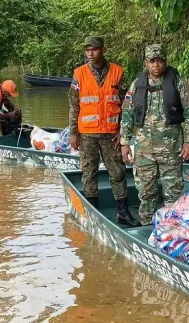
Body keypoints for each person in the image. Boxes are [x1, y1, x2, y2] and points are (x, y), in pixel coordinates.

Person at [120, 44, 189, 224]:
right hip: (144, 149)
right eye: (152, 61)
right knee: (146, 192)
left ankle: (172, 228)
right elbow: (127, 113)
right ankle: (146, 225)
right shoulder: (137, 84)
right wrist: (124, 142)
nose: (156, 65)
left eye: (160, 60)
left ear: (165, 61)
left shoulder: (177, 82)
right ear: (146, 63)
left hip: (171, 149)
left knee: (173, 192)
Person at [68, 36, 138, 226]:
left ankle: (123, 212)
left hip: (111, 133)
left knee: (117, 173)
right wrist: (73, 132)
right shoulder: (79, 74)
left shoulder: (117, 72)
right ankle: (92, 214)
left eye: (94, 49)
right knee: (88, 173)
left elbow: (128, 104)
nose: (90, 53)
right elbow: (74, 105)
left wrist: (123, 133)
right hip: (87, 134)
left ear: (103, 50)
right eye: (87, 50)